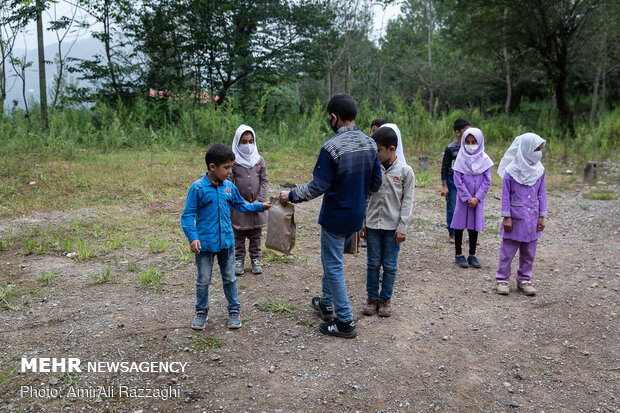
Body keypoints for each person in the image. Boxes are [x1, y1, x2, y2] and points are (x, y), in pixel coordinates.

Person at [279, 93, 382, 339]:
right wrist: (357, 198)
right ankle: (326, 304)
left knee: (333, 266)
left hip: (335, 218)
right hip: (356, 217)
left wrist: (290, 195)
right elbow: (376, 183)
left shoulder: (331, 147)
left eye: (329, 117)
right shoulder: (370, 144)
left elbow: (318, 186)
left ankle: (345, 321)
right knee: (332, 260)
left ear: (334, 117)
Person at [181, 144, 271, 331]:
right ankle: (201, 312)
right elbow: (188, 215)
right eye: (227, 168)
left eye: (231, 167)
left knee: (229, 278)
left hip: (227, 243)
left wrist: (259, 206)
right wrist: (193, 237)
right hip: (204, 244)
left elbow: (241, 205)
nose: (230, 171)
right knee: (203, 279)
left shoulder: (229, 187)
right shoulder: (198, 188)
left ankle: (234, 310)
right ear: (212, 167)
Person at [361, 125, 414, 317]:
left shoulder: (405, 172)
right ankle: (371, 298)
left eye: (379, 151)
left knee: (390, 265)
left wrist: (403, 227)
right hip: (374, 225)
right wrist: (363, 222)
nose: (376, 155)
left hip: (393, 228)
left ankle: (385, 299)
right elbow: (365, 196)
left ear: (392, 149)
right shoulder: (371, 169)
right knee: (373, 263)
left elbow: (407, 201)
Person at [495, 133, 547, 296]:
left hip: (532, 220)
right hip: (515, 219)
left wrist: (542, 216)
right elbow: (505, 196)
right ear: (526, 150)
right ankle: (502, 279)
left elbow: (542, 194)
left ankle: (524, 279)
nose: (539, 153)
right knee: (507, 251)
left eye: (540, 149)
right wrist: (507, 217)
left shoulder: (539, 170)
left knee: (529, 252)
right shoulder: (511, 172)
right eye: (536, 149)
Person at [450, 127, 493, 269]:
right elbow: (457, 179)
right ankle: (458, 254)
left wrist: (477, 197)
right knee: (459, 225)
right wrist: (468, 197)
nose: (470, 144)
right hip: (464, 200)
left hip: (477, 201)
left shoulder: (485, 160)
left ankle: (472, 254)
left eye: (474, 142)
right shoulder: (460, 159)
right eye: (467, 142)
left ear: (480, 142)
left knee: (474, 226)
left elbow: (487, 181)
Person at [230, 125, 268, 275]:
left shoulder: (259, 160)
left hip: (256, 205)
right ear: (237, 143)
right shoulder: (233, 162)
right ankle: (239, 260)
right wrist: (239, 201)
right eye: (243, 142)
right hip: (239, 206)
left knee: (256, 235)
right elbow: (228, 183)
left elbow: (264, 181)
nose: (247, 145)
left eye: (250, 141)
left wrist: (259, 200)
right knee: (238, 236)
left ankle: (255, 259)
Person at [441, 119, 472, 243]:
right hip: (452, 181)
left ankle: (472, 233)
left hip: (468, 181)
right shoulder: (451, 148)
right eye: (467, 131)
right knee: (452, 207)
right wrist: (444, 185)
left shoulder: (472, 147)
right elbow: (444, 167)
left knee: (470, 206)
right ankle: (452, 232)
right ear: (458, 132)